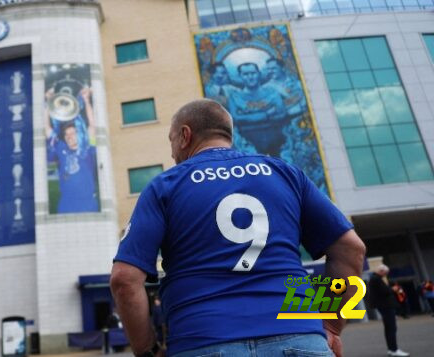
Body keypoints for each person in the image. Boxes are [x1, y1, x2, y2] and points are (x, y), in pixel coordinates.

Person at [110, 99, 366, 357]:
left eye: (172, 141)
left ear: (185, 135)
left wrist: (147, 349)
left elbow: (124, 279)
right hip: (299, 334)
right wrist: (331, 323)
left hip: (201, 339)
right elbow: (352, 249)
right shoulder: (285, 173)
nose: (173, 153)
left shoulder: (165, 186)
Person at [45, 87, 99, 213]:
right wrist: (48, 101)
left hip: (88, 204)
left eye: (73, 133)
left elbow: (92, 125)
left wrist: (86, 100)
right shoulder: (61, 148)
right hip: (66, 205)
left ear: (79, 134)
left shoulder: (87, 148)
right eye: (67, 134)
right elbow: (47, 128)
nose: (69, 136)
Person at [227, 63, 287, 156]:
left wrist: (247, 117)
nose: (250, 77)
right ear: (240, 76)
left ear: (259, 74)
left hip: (276, 141)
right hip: (247, 144)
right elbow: (236, 118)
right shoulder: (235, 97)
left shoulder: (272, 93)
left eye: (253, 73)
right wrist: (266, 114)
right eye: (245, 74)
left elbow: (282, 113)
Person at [368, 265, 409, 356]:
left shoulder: (374, 278)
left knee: (389, 328)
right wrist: (392, 289)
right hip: (385, 306)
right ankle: (394, 349)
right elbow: (384, 291)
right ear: (381, 271)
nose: (385, 275)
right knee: (391, 328)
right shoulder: (376, 279)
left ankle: (391, 349)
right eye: (385, 273)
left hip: (383, 306)